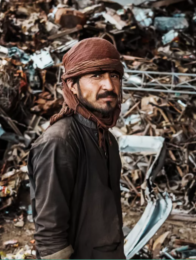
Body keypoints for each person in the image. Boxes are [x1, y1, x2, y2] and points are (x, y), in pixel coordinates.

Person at [27, 38, 125, 259]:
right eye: (96, 75)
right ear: (72, 85)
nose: (109, 86)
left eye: (115, 75)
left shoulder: (107, 139)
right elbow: (50, 235)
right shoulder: (59, 141)